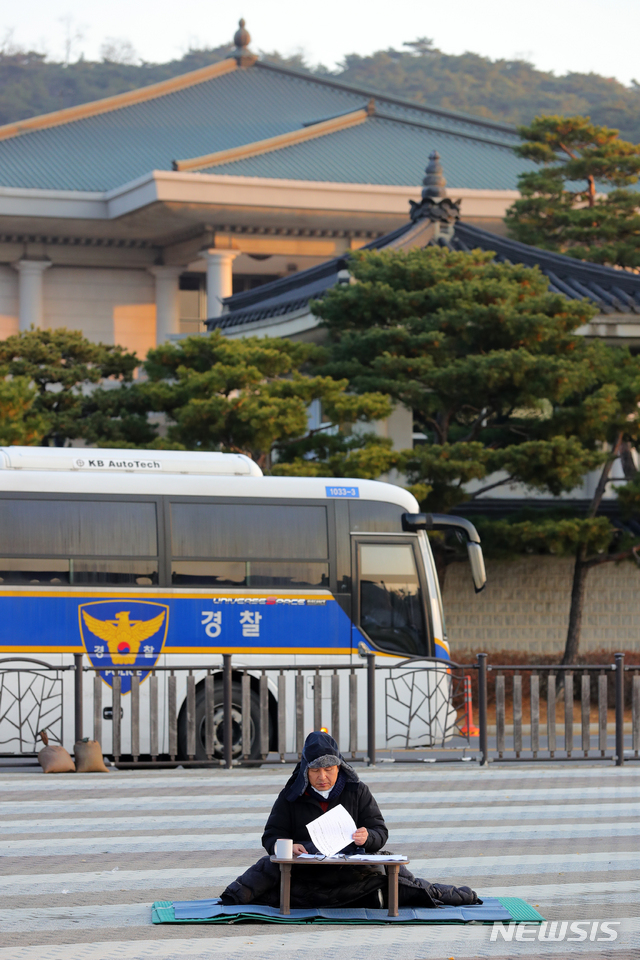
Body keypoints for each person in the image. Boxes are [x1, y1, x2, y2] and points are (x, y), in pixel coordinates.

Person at [221, 731, 481, 910]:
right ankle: (232, 899)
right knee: (267, 865)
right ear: (305, 771)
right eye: (315, 770)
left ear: (339, 767)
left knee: (398, 875)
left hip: (352, 867)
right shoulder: (290, 796)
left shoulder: (357, 791)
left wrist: (368, 837)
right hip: (307, 870)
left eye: (329, 769)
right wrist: (288, 847)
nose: (322, 776)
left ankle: (455, 895)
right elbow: (271, 835)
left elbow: (380, 830)